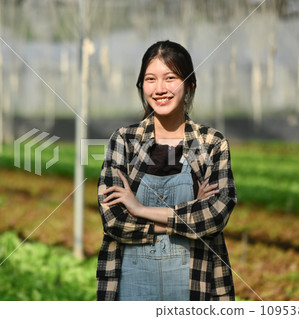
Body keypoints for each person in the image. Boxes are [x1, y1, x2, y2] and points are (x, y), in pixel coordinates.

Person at [96, 40, 236, 301]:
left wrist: (139, 209)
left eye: (170, 78)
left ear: (190, 84)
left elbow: (216, 215)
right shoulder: (125, 141)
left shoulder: (210, 143)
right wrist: (192, 210)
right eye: (150, 79)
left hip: (195, 283)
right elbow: (113, 220)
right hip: (130, 285)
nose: (159, 88)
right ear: (142, 86)